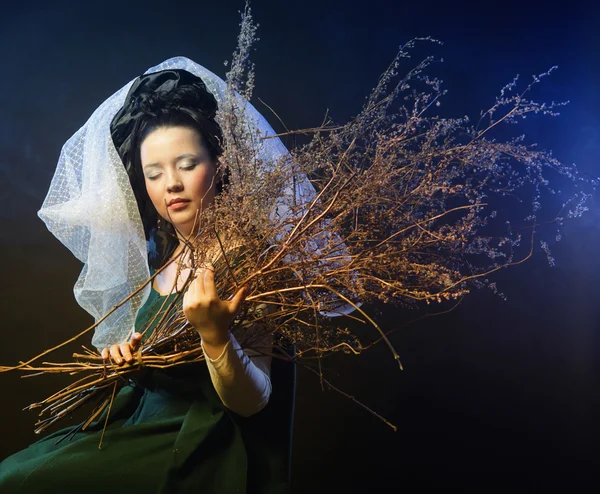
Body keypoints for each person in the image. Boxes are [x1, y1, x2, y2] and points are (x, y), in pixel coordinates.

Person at [0, 58, 296, 494]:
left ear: (220, 162)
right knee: (17, 472)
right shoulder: (164, 253)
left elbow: (256, 400)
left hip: (201, 442)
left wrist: (215, 336)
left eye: (187, 164)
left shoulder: (250, 262)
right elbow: (160, 360)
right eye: (154, 174)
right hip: (140, 423)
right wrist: (125, 358)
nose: (170, 184)